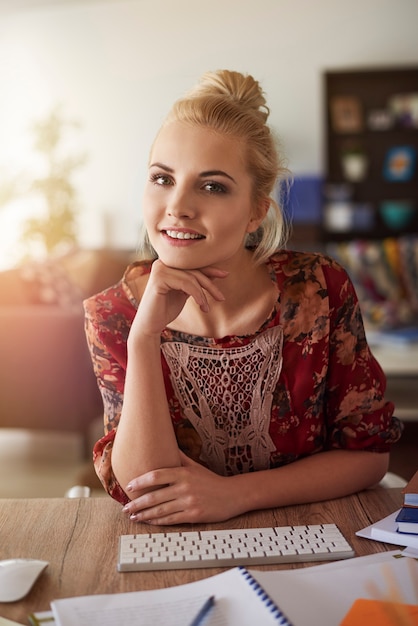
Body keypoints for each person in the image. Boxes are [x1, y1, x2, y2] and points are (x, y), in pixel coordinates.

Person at [84, 69, 403, 525]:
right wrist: (144, 337)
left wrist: (234, 495)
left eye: (212, 186)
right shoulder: (113, 314)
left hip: (311, 537)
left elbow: (369, 456)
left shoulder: (320, 289)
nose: (177, 205)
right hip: (173, 554)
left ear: (257, 210)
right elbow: (144, 486)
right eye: (162, 178)